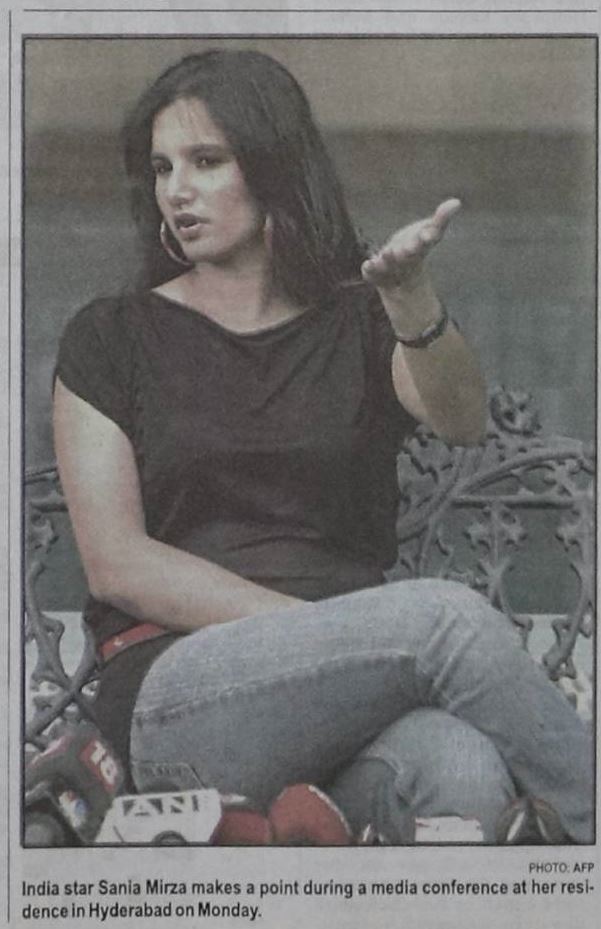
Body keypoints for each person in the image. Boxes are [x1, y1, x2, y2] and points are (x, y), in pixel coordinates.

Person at [53, 49, 592, 844]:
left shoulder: (359, 321)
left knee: (464, 768)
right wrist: (336, 636)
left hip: (352, 703)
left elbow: (461, 419)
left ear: (270, 166)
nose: (177, 189)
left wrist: (408, 296)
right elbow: (116, 564)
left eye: (206, 160)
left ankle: (331, 838)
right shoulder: (111, 336)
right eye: (163, 168)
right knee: (443, 619)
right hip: (180, 697)